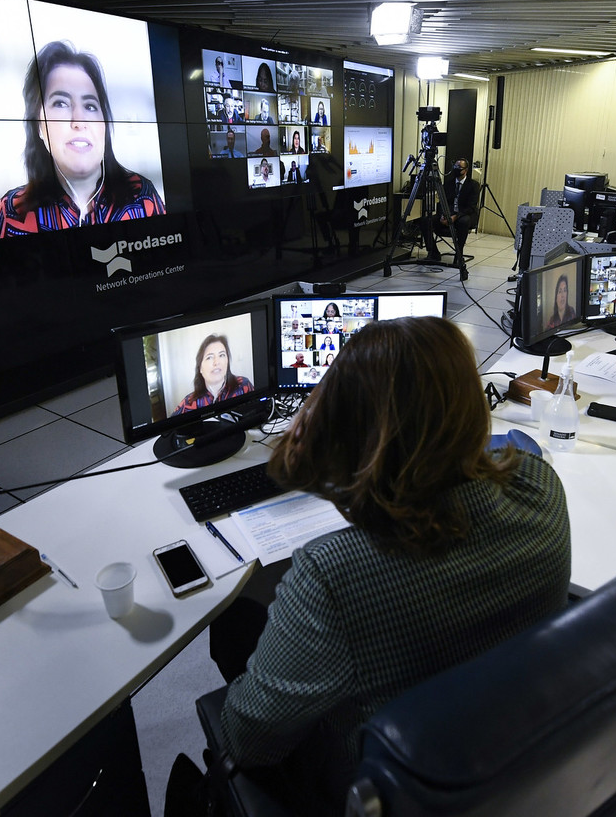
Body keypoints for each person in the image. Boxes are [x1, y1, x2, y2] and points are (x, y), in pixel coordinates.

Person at [174, 316, 570, 816]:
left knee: (235, 624)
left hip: (371, 787)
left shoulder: (333, 573)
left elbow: (250, 741)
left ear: (359, 433)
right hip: (505, 753)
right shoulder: (540, 487)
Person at [0, 42, 165, 240]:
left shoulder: (143, 196)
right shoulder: (9, 212)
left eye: (90, 106)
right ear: (38, 125)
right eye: (61, 103)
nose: (79, 121)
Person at [171, 334, 255, 415]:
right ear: (200, 368)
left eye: (221, 355)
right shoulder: (188, 404)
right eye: (209, 357)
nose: (216, 362)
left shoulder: (244, 386)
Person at [428, 158, 480, 265]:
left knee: (463, 221)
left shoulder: (473, 185)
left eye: (459, 168)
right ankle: (433, 252)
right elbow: (442, 202)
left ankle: (459, 255)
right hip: (448, 213)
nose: (456, 170)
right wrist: (443, 215)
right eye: (455, 167)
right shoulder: (448, 184)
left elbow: (471, 206)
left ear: (465, 170)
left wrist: (455, 216)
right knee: (425, 221)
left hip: (464, 214)